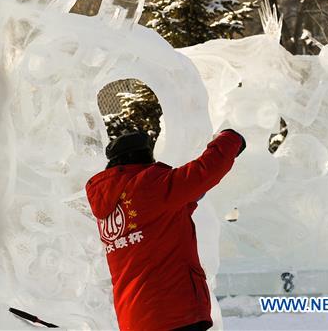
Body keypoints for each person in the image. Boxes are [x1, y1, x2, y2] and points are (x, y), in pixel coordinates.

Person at [85, 128, 245, 331]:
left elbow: (164, 210)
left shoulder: (111, 202)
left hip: (134, 318)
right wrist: (230, 138)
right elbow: (206, 170)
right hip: (172, 313)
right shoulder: (151, 185)